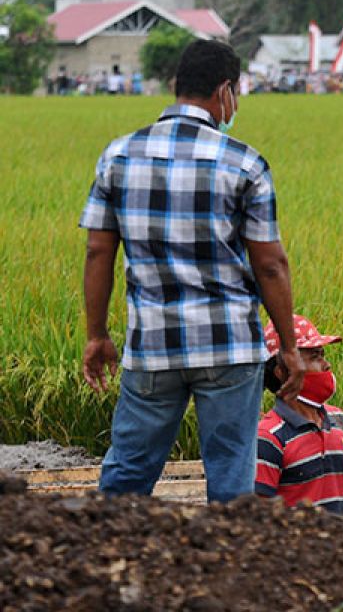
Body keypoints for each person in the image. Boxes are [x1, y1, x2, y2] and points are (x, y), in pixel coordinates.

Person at [80, 38, 305, 503]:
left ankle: (105, 559)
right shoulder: (244, 163)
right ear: (225, 91)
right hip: (228, 346)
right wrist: (288, 345)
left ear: (174, 86)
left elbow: (98, 253)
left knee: (128, 471)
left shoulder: (118, 156)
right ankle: (226, 568)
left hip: (152, 345)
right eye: (236, 93)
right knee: (230, 477)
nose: (235, 104)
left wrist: (97, 334)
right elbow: (270, 263)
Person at [254, 315, 343, 513]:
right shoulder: (269, 437)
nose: (326, 365)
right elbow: (259, 517)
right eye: (315, 357)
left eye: (322, 354)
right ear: (282, 372)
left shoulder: (338, 420)